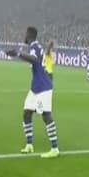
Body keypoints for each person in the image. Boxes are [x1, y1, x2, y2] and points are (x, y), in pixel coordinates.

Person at [6, 27, 59, 158]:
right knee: (27, 113)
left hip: (43, 87)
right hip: (35, 87)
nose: (24, 36)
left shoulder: (35, 47)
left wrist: (18, 54)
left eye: (25, 34)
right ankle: (29, 145)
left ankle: (55, 148)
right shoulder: (36, 47)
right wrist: (18, 54)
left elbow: (34, 59)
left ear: (29, 35)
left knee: (46, 116)